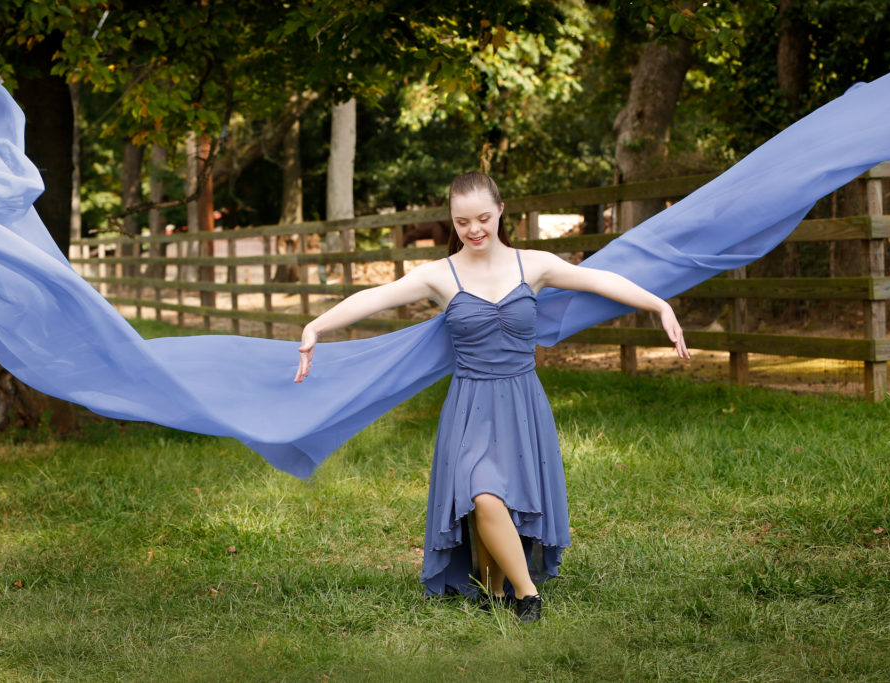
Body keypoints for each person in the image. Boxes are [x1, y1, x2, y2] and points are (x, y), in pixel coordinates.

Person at [294, 172, 689, 623]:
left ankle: (495, 588)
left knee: (503, 501)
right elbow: (375, 297)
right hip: (470, 406)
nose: (474, 229)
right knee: (482, 494)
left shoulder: (533, 265)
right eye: (462, 222)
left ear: (501, 210)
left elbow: (598, 279)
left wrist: (660, 305)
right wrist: (315, 327)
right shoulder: (439, 276)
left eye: (483, 217)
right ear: (452, 222)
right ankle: (529, 594)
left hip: (523, 402)